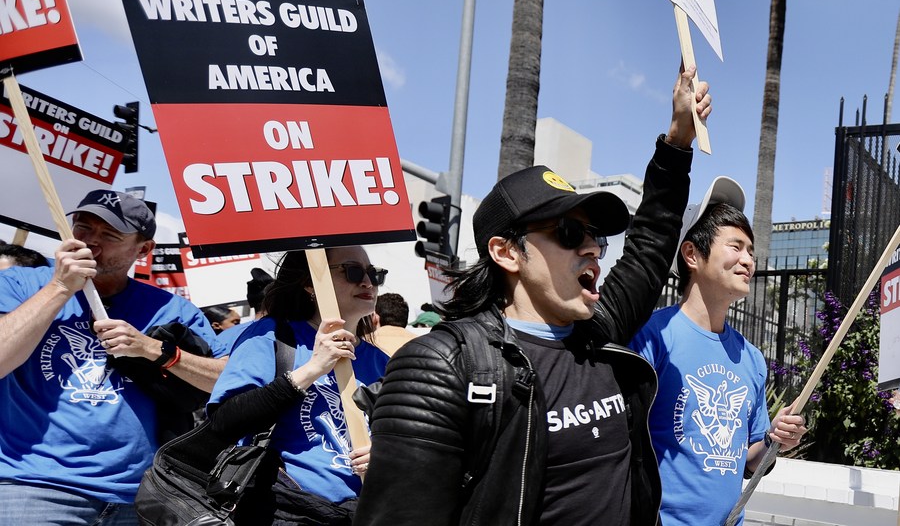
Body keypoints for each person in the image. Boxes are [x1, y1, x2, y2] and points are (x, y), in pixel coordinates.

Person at [355, 66, 710, 526]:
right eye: (569, 233)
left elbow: (649, 246)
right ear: (507, 253)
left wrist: (677, 143)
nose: (591, 248)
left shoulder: (597, 333)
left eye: (595, 236)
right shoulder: (443, 365)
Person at [0, 189, 226, 526]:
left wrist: (153, 350)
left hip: (138, 496)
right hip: (34, 487)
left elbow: (226, 380)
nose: (91, 241)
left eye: (110, 234)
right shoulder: (20, 283)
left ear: (143, 249)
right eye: (83, 227)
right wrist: (60, 288)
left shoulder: (172, 309)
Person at [628, 177, 808, 526]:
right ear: (692, 254)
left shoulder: (752, 358)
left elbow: (750, 461)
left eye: (751, 251)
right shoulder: (652, 337)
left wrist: (774, 439)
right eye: (736, 247)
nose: (748, 261)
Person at [208, 246, 390, 525]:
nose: (367, 282)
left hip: (367, 512)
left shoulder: (381, 362)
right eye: (352, 271)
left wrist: (386, 453)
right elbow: (225, 421)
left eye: (374, 274)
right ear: (310, 283)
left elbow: (405, 437)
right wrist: (312, 369)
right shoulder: (274, 337)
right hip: (287, 511)